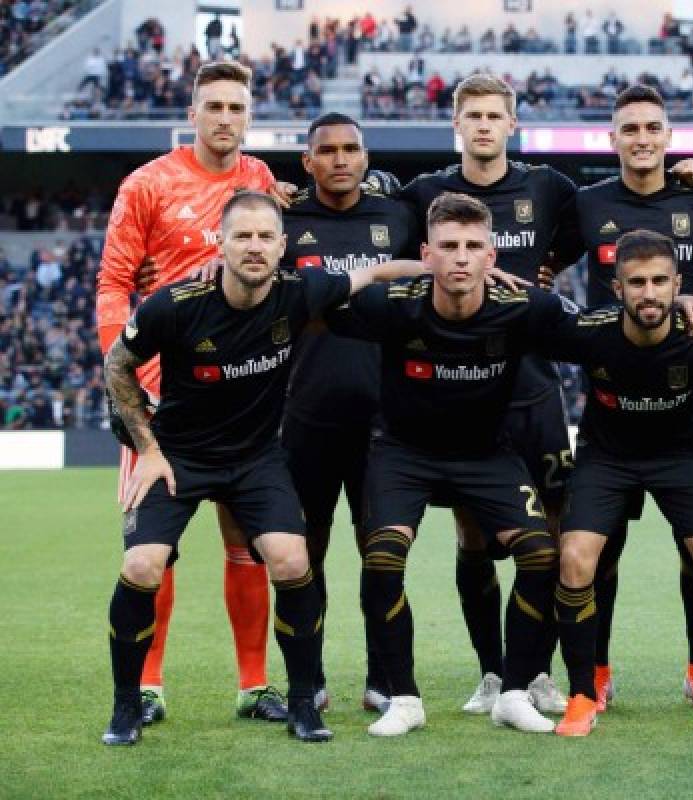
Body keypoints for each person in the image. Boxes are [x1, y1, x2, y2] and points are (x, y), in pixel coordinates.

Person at [101, 190, 407, 745]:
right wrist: (147, 448)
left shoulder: (300, 291)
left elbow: (373, 273)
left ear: (282, 246)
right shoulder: (175, 304)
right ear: (220, 244)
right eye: (242, 235)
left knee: (292, 559)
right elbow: (118, 363)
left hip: (255, 459)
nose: (254, 246)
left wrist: (439, 267)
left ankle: (303, 703)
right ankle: (126, 707)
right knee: (143, 565)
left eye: (266, 236)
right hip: (180, 456)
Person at [96, 61, 290, 728]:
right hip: (163, 403)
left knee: (248, 543)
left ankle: (255, 685)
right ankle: (148, 687)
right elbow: (113, 283)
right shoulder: (148, 184)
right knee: (155, 550)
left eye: (236, 107)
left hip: (241, 397)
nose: (225, 118)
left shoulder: (258, 179)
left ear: (249, 115)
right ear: (193, 112)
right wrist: (123, 382)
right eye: (214, 106)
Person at [393, 73, 578, 716]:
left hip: (534, 389)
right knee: (473, 535)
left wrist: (552, 270)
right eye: (471, 115)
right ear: (456, 124)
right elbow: (379, 234)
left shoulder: (547, 187)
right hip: (461, 391)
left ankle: (538, 671)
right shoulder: (424, 193)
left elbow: (597, 221)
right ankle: (493, 673)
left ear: (511, 123)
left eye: (493, 115)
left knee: (551, 532)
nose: (482, 125)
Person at [550, 83, 693, 709]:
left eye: (653, 128)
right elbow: (546, 266)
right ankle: (595, 671)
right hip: (609, 401)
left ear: (669, 136)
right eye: (631, 129)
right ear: (613, 139)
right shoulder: (589, 203)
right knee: (601, 552)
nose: (643, 138)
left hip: (683, 402)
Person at [551, 230, 693, 737]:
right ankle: (583, 693)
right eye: (636, 282)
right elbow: (526, 318)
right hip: (606, 458)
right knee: (575, 558)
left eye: (660, 281)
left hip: (680, 457)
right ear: (617, 288)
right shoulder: (588, 332)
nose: (649, 292)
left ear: (678, 285)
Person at [279, 112, 422, 713]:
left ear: (366, 158)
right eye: (327, 150)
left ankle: (383, 679)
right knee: (302, 556)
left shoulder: (399, 217)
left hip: (384, 421)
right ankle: (308, 682)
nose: (340, 159)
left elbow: (439, 266)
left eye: (350, 149)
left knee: (381, 554)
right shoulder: (283, 222)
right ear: (307, 162)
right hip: (305, 418)